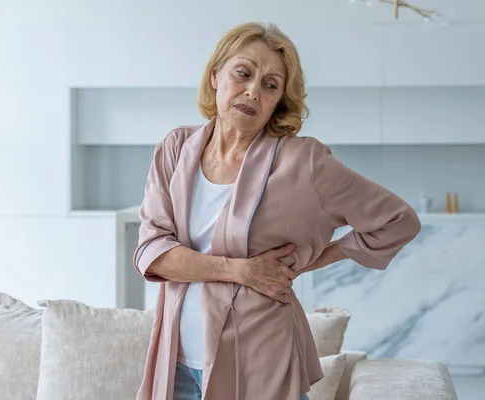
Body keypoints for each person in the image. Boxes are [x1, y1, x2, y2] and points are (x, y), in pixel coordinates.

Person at [133, 22, 421, 400]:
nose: (253, 90)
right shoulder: (175, 148)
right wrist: (242, 271)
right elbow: (152, 254)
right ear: (216, 75)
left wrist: (310, 262)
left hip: (261, 365)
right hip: (178, 365)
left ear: (279, 100)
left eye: (270, 84)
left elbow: (397, 221)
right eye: (243, 73)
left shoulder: (304, 161)